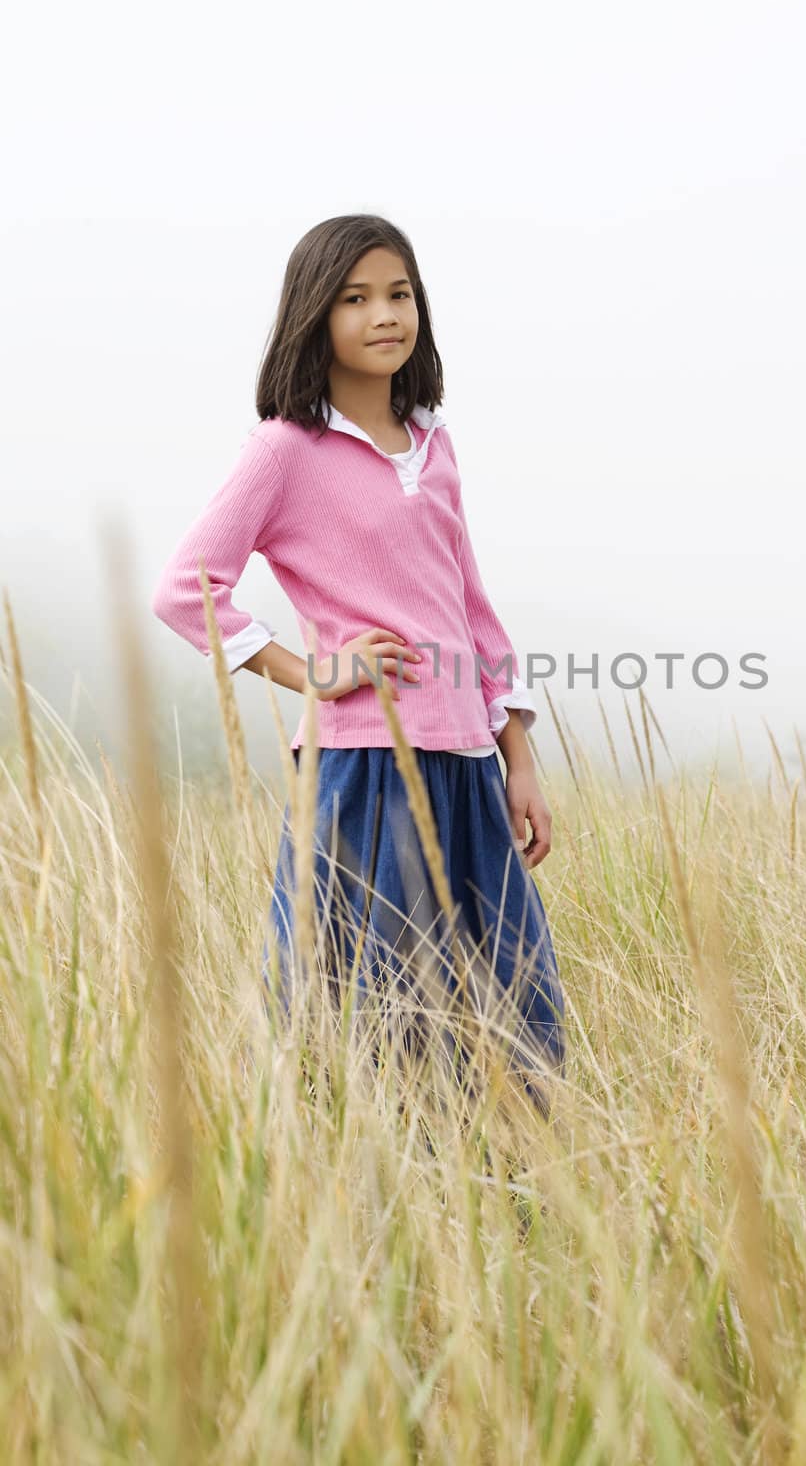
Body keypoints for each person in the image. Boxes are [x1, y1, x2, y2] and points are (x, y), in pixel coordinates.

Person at [150, 213, 566, 1118]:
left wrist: (519, 756)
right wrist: (316, 672)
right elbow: (186, 589)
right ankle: (366, 1213)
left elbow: (471, 604)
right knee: (376, 1020)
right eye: (356, 298)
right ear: (316, 314)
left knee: (515, 1022)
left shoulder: (433, 442)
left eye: (399, 293)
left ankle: (507, 1215)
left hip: (465, 768)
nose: (385, 314)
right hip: (363, 770)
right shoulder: (284, 450)